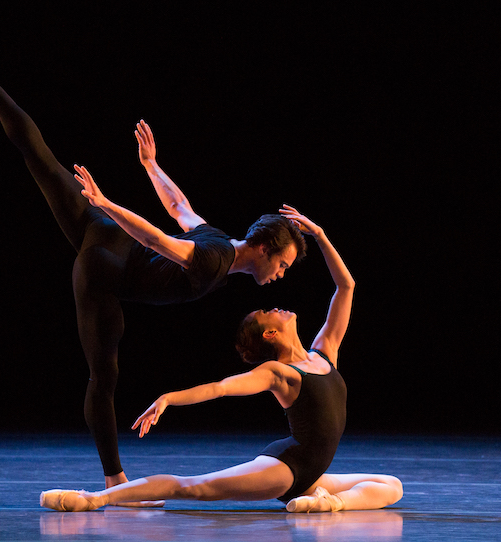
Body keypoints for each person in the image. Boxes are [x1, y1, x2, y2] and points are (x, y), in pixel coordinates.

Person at [0, 29, 307, 495]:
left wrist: (151, 166)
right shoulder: (216, 260)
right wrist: (107, 201)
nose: (281, 275)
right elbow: (158, 239)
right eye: (283, 263)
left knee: (41, 159)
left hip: (107, 236)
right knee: (104, 375)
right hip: (105, 270)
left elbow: (179, 208)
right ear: (262, 248)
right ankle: (115, 478)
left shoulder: (220, 240)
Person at [40, 207, 404, 513]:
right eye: (267, 312)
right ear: (270, 335)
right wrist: (170, 398)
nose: (275, 303)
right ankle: (93, 498)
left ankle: (328, 504)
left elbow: (346, 286)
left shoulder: (324, 352)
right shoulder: (278, 373)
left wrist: (320, 235)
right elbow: (221, 388)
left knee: (392, 485)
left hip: (313, 474)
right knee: (192, 488)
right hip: (286, 468)